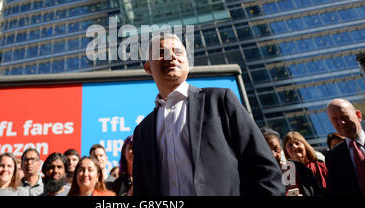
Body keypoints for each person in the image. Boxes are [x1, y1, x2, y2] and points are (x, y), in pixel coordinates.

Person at [133, 33, 285, 196]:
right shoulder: (142, 131)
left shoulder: (220, 100)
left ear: (187, 61)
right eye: (161, 52)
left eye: (177, 51)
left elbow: (264, 169)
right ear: (148, 67)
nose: (171, 56)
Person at [262, 128, 323, 196]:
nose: (273, 154)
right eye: (267, 150)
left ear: (281, 148)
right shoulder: (257, 179)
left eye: (275, 149)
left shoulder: (300, 169)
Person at [325, 98, 365, 196]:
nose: (341, 122)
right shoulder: (332, 156)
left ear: (358, 116)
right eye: (335, 119)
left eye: (344, 116)